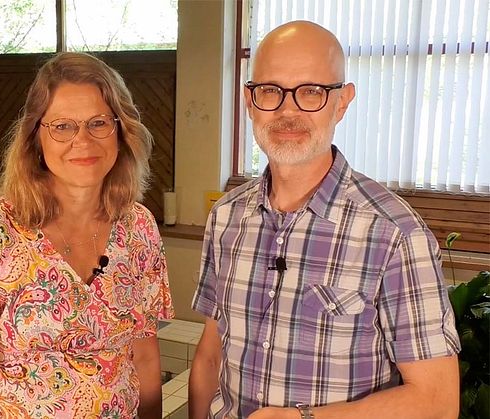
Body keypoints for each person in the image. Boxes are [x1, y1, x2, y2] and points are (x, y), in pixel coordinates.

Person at [189, 21, 460, 419]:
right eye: (270, 91)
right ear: (250, 101)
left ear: (343, 101)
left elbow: (437, 401)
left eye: (312, 91)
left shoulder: (394, 234)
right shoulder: (227, 217)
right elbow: (211, 356)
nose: (287, 111)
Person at [0, 52, 174, 418]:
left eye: (98, 123)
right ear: (35, 137)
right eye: (62, 126)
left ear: (121, 132)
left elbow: (145, 357)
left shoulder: (138, 228)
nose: (83, 140)